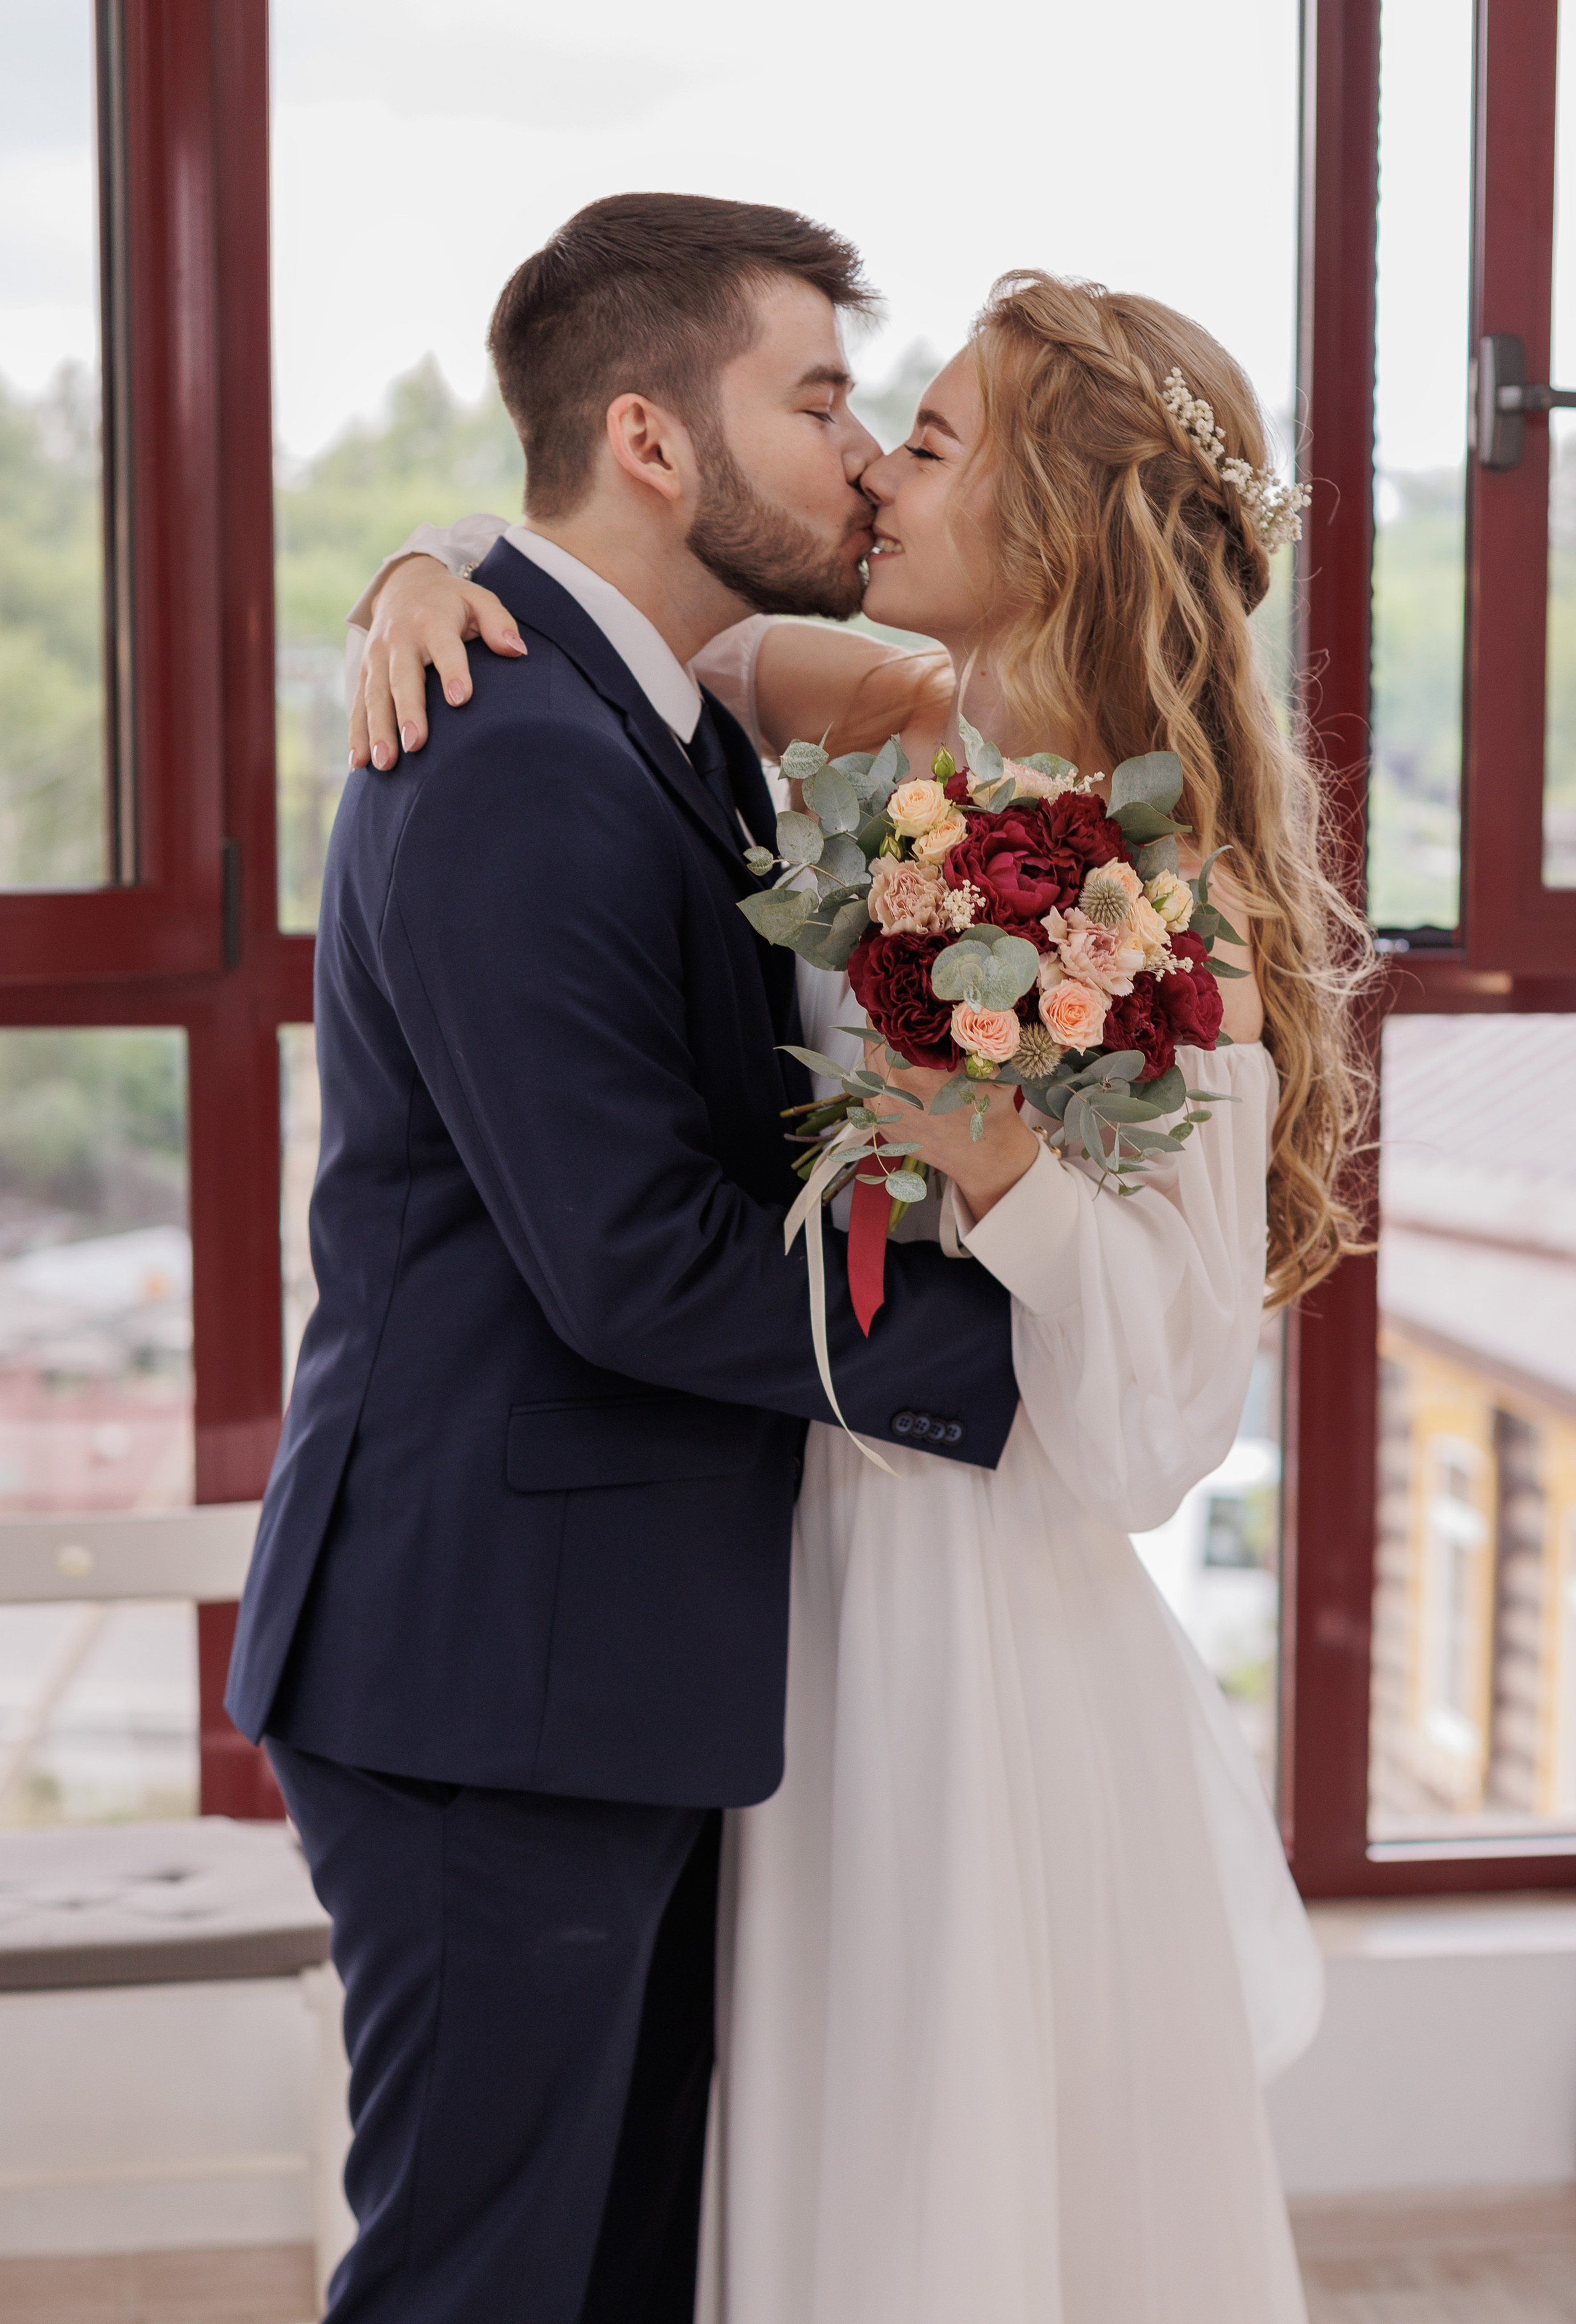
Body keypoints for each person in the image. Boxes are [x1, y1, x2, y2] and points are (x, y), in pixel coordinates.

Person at [352, 268, 1375, 2323]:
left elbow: (1162, 1423)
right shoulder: (876, 718)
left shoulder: (1160, 904)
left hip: (966, 1619)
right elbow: (625, 623)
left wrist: (1001, 1168)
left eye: (932, 437)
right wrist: (418, 566)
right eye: (873, 417)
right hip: (772, 1584)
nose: (881, 464)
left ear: (1060, 524)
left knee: (948, 2184)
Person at [226, 193, 1027, 2324]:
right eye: (824, 400)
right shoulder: (513, 755)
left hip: (591, 1655)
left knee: (621, 2264)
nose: (866, 456)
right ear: (658, 443)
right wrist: (1033, 1350)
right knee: (486, 2281)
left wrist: (427, 558)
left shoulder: (649, 708)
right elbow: (634, 1260)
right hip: (488, 1668)